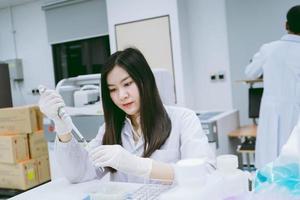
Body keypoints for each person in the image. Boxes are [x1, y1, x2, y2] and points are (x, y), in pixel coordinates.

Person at [39, 48, 215, 184]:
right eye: (113, 90)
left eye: (127, 84)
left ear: (144, 81)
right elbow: (78, 174)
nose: (121, 95)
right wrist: (62, 127)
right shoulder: (110, 129)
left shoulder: (182, 119)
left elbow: (203, 172)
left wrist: (138, 165)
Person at [245, 5, 300, 169]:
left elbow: (250, 74)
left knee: (270, 160)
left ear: (286, 25)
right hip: (296, 113)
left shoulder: (269, 49)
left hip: (271, 112)